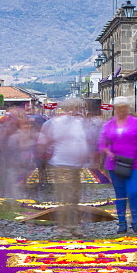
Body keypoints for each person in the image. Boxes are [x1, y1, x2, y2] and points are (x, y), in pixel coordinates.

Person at [37, 98, 90, 237]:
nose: (75, 110)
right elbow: (43, 142)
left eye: (77, 108)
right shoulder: (55, 123)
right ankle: (63, 228)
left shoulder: (78, 123)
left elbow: (81, 140)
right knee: (65, 196)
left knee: (74, 197)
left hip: (76, 166)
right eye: (73, 108)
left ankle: (73, 226)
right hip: (61, 164)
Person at [98, 97, 137, 233]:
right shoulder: (108, 125)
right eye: (119, 107)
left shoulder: (136, 123)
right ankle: (122, 222)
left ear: (127, 108)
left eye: (124, 107)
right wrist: (107, 152)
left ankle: (136, 222)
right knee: (120, 194)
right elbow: (102, 143)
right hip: (115, 164)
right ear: (115, 109)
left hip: (134, 163)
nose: (121, 110)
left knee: (133, 192)